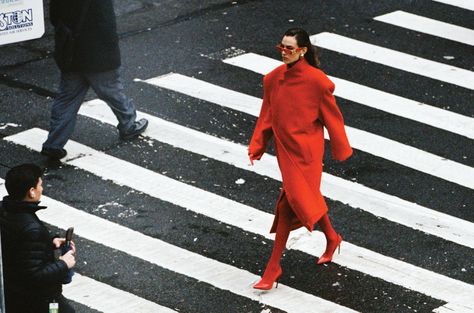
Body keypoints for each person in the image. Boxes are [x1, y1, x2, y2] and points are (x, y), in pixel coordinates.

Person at [249, 28, 353, 290]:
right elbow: (267, 114)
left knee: (290, 203)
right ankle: (331, 237)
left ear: (303, 51)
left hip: (307, 151)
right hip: (286, 150)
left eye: (290, 48)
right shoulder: (273, 79)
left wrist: (340, 148)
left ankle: (273, 268)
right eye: (281, 47)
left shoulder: (317, 82)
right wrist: (258, 144)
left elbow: (333, 118)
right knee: (304, 198)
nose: (284, 52)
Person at [41, 0, 148, 159]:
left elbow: (55, 17)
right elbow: (106, 22)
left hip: (71, 51)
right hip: (97, 52)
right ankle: (129, 124)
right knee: (112, 91)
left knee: (67, 99)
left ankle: (54, 143)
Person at [0, 164, 76, 312]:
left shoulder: (5, 210)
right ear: (32, 192)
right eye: (40, 185)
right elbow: (34, 275)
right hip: (38, 299)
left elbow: (18, 245)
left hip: (13, 291)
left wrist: (50, 242)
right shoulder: (31, 229)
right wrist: (63, 263)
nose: (42, 189)